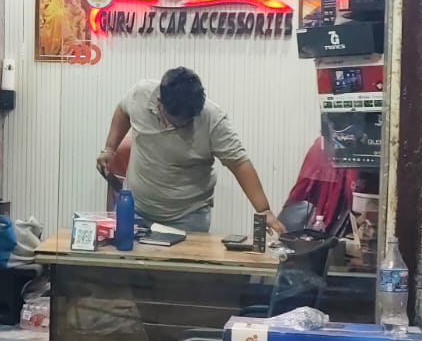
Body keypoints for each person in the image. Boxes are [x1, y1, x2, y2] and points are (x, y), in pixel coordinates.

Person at [96, 67, 283, 236]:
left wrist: (264, 210)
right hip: (135, 210)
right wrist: (110, 149)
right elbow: (123, 111)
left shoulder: (212, 119)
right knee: (125, 261)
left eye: (188, 120)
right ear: (160, 103)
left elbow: (239, 163)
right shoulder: (141, 94)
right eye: (177, 119)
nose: (183, 124)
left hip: (187, 218)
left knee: (183, 265)